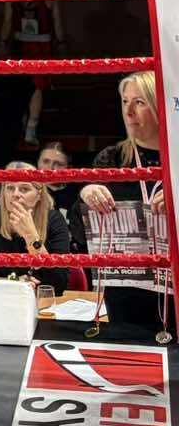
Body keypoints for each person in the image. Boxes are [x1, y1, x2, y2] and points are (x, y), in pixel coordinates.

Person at [78, 72, 172, 335]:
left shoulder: (176, 156)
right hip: (125, 293)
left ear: (159, 105)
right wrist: (87, 194)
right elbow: (80, 234)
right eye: (124, 101)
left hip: (173, 290)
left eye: (139, 102)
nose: (128, 112)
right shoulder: (112, 158)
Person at [0, 161, 73, 298]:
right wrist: (10, 283)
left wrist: (31, 237)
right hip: (1, 299)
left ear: (39, 194)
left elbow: (60, 283)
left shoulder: (54, 220)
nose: (15, 194)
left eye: (24, 189)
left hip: (40, 302)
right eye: (10, 188)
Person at [0, 0, 63, 146]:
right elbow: (57, 22)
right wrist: (62, 42)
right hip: (40, 46)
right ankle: (30, 129)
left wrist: (2, 43)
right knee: (36, 88)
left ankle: (21, 125)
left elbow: (7, 22)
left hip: (19, 44)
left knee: (21, 85)